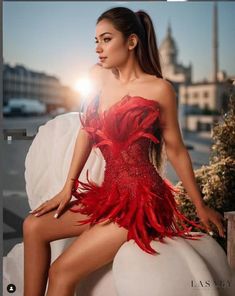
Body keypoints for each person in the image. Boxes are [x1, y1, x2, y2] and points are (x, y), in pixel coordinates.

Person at [23, 7, 226, 296]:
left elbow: (177, 150)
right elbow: (86, 131)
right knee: (32, 226)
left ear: (131, 42)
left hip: (141, 202)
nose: (99, 49)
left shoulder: (159, 89)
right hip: (109, 195)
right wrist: (67, 187)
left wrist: (200, 204)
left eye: (106, 39)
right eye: (95, 41)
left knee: (61, 272)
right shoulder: (99, 77)